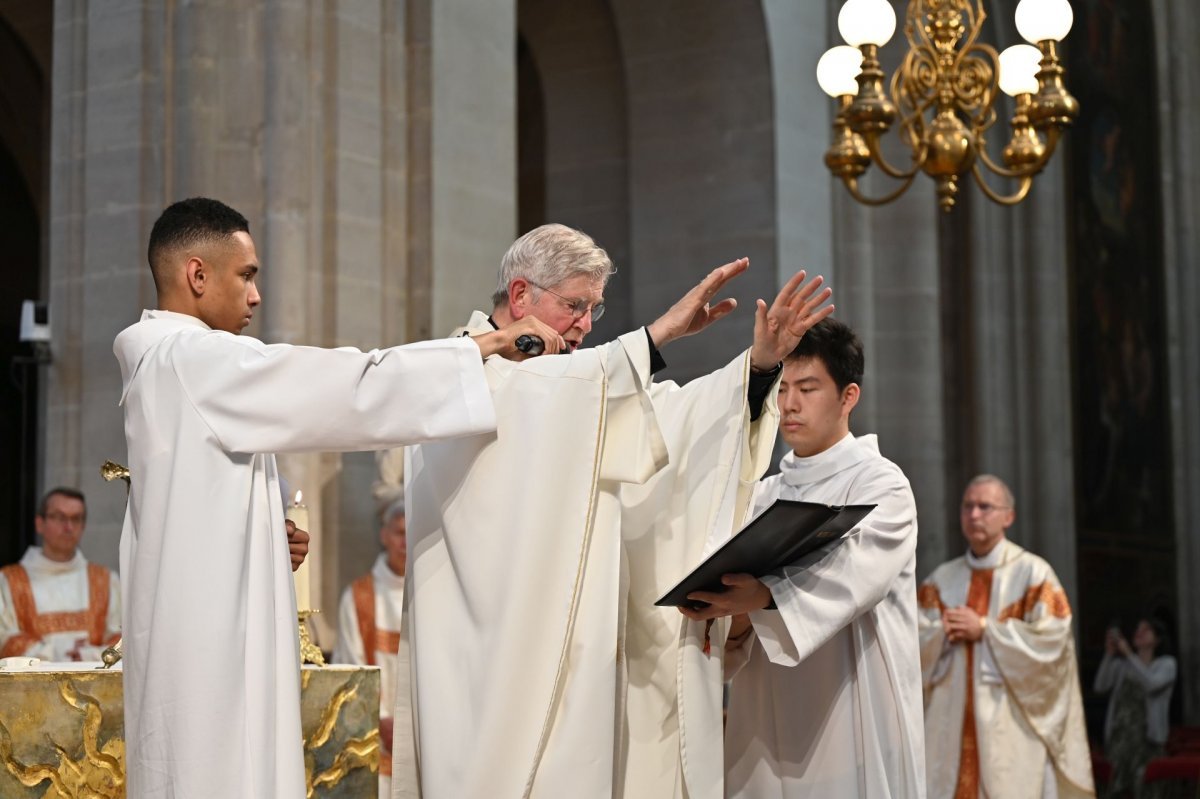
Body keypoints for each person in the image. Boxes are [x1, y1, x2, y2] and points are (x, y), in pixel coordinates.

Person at [114, 197, 546, 798]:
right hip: (210, 662)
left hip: (192, 635)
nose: (256, 296)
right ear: (196, 274)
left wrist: (262, 536)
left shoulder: (159, 365)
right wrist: (478, 348)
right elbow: (346, 386)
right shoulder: (192, 357)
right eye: (247, 275)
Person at [397, 223, 833, 799]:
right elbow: (539, 399)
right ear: (521, 295)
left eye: (595, 311)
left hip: (583, 658)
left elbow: (672, 426)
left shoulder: (583, 390)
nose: (583, 325)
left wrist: (755, 369)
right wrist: (657, 336)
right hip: (490, 663)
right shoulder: (458, 374)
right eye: (574, 306)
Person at [679, 318, 926, 798]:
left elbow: (855, 575)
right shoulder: (763, 493)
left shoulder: (882, 484)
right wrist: (732, 608)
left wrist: (765, 595)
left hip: (851, 709)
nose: (789, 404)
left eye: (808, 389)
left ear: (848, 397)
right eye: (785, 388)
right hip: (763, 716)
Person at [918, 475, 1095, 798]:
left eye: (985, 506)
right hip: (947, 727)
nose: (974, 515)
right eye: (967, 506)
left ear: (1008, 517)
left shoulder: (1033, 574)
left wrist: (985, 629)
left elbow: (1053, 645)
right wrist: (942, 633)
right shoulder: (940, 581)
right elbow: (911, 644)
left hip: (1010, 731)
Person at [334, 497, 410, 798]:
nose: (404, 542)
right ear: (384, 535)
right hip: (373, 738)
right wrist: (383, 721)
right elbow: (349, 667)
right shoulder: (359, 596)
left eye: (411, 532)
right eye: (398, 532)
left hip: (421, 731)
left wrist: (410, 721)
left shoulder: (432, 595)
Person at [0, 488, 121, 661]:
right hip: (33, 687)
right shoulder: (9, 580)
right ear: (39, 523)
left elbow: (123, 637)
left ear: (83, 526)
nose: (68, 527)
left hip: (94, 685)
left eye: (76, 519)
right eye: (59, 517)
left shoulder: (106, 580)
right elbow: (4, 638)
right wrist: (56, 652)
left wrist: (88, 655)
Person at [1094, 618, 1177, 797]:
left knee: (1145, 789)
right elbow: (1100, 686)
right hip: (1120, 739)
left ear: (1157, 639)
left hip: (1147, 741)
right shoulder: (1122, 665)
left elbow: (1152, 684)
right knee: (1114, 789)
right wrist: (1109, 654)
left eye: (1146, 629)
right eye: (1137, 629)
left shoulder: (1166, 664)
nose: (1139, 632)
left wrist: (1129, 654)